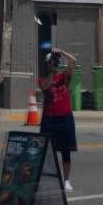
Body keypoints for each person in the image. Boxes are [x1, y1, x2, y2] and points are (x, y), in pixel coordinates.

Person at [38, 46, 79, 194]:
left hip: (65, 119)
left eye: (55, 62)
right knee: (46, 151)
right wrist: (51, 71)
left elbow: (73, 61)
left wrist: (61, 52)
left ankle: (66, 181)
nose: (54, 64)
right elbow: (46, 86)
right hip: (49, 120)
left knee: (66, 151)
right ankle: (44, 179)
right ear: (47, 64)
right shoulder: (43, 78)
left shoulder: (64, 77)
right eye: (51, 62)